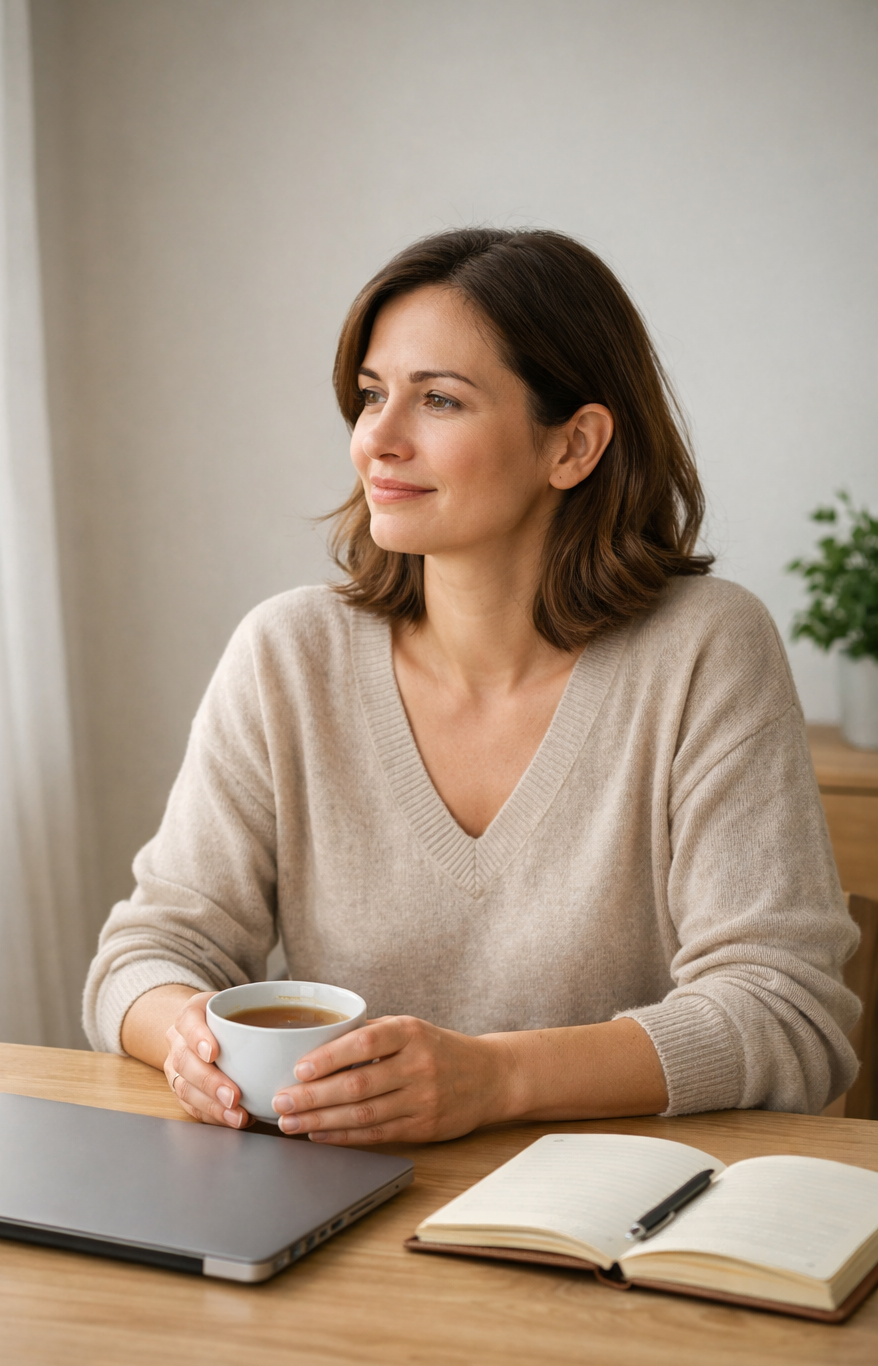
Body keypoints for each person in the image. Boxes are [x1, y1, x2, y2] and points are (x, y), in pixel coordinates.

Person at [83, 228, 859, 1143]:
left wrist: (494, 1080)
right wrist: (187, 1038)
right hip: (331, 1203)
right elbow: (146, 953)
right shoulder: (287, 655)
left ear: (574, 446)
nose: (378, 438)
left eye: (438, 400)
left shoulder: (706, 648)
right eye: (372, 395)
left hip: (610, 1222)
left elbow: (787, 1013)